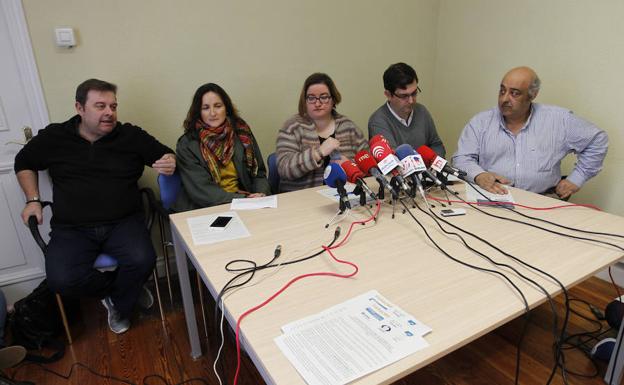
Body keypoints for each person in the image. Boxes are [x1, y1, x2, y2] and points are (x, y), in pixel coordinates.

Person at [14, 79, 176, 334]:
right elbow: (23, 161)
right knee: (61, 280)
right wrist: (33, 200)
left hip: (124, 222)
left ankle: (121, 304)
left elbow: (166, 154)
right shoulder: (56, 136)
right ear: (80, 108)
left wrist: (169, 161)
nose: (109, 112)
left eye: (113, 106)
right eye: (100, 106)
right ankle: (122, 291)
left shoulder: (130, 135)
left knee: (143, 260)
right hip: (72, 228)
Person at [452, 66, 608, 199]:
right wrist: (479, 176)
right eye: (502, 90)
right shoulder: (481, 122)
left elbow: (597, 140)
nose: (504, 99)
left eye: (514, 93)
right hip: (492, 197)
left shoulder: (558, 120)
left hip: (542, 199)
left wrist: (576, 179)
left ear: (532, 95)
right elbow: (461, 159)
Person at [173, 83, 270, 211]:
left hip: (247, 202)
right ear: (199, 112)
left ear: (226, 108)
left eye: (218, 106)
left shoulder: (242, 132)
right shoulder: (187, 144)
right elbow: (202, 191)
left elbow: (259, 173)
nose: (212, 113)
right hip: (204, 208)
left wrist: (261, 195)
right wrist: (243, 200)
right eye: (206, 108)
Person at [276, 73, 367, 192]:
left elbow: (367, 161)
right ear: (305, 100)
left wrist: (351, 165)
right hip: (302, 199)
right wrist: (318, 153)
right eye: (311, 98)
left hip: (345, 196)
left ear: (333, 99)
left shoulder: (348, 126)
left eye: (323, 97)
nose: (318, 103)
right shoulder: (292, 127)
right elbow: (284, 169)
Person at [368, 62, 445, 156]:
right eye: (404, 96)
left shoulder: (422, 111)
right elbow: (394, 160)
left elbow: (437, 145)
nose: (411, 101)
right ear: (388, 95)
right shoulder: (378, 122)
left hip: (428, 169)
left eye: (414, 93)